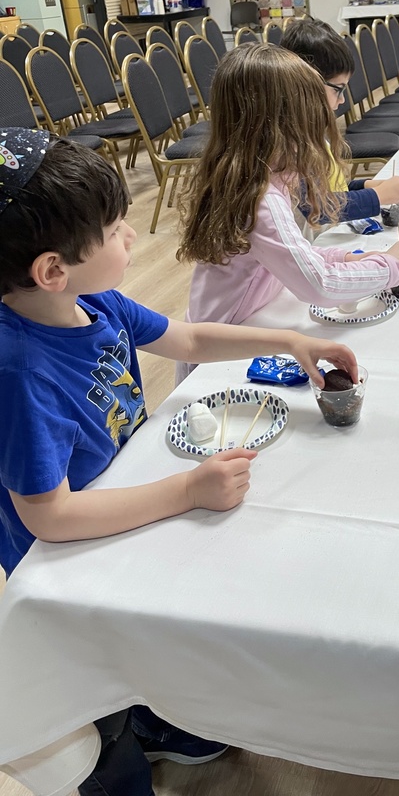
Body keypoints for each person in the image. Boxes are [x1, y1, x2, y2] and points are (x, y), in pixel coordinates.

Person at [0, 128, 358, 794]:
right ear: (52, 268)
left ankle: (156, 711)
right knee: (97, 708)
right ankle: (124, 740)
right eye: (113, 229)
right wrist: (187, 490)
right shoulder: (20, 371)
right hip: (69, 557)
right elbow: (50, 516)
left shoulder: (90, 301)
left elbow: (186, 335)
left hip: (121, 492)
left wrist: (290, 336)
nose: (131, 235)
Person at [177, 45, 399, 332]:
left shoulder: (254, 176)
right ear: (284, 127)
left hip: (238, 326)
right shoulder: (261, 200)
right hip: (223, 346)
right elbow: (320, 287)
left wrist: (346, 258)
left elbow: (290, 256)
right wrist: (391, 266)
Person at [280, 17, 399, 221]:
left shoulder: (310, 130)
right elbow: (317, 208)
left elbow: (330, 190)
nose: (342, 100)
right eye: (338, 90)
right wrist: (376, 197)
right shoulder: (288, 144)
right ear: (305, 84)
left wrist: (365, 186)